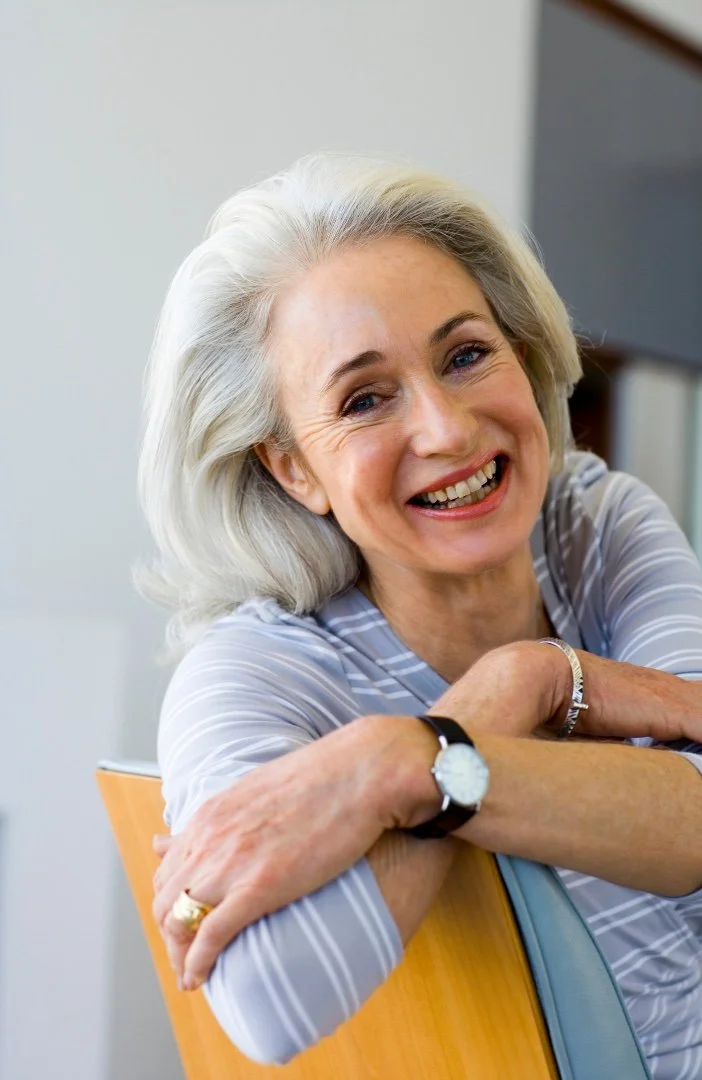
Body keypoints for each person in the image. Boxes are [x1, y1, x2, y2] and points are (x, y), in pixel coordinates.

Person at [139, 153, 702, 1077]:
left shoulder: (594, 525)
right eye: (364, 399)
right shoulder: (258, 672)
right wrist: (496, 708)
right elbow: (271, 1001)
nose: (445, 429)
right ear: (294, 469)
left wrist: (405, 758)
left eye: (466, 354)